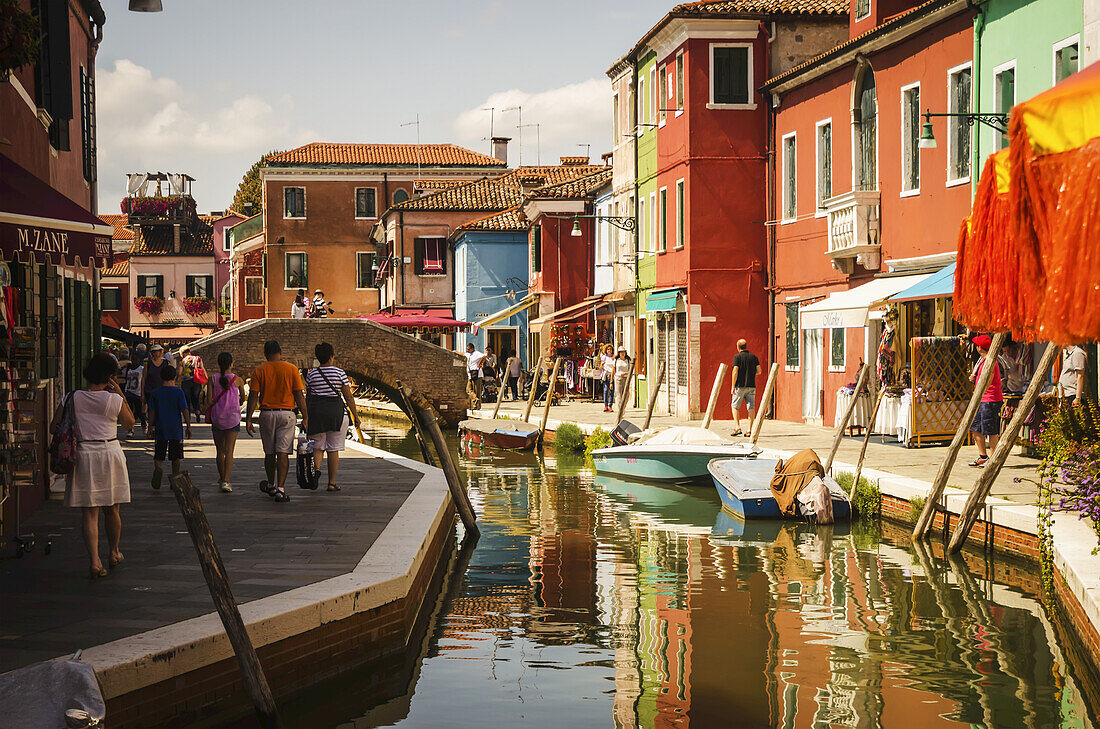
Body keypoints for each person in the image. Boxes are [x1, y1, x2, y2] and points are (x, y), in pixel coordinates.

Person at [57, 353, 136, 579]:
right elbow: (130, 423)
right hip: (109, 452)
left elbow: (55, 426)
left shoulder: (71, 398)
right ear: (110, 376)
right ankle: (113, 552)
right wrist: (120, 394)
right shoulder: (114, 400)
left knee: (89, 512)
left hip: (83, 453)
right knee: (112, 508)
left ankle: (94, 562)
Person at [246, 340, 307, 503]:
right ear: (280, 351)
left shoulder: (259, 370)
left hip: (266, 414)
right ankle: (281, 488)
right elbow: (299, 395)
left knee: (269, 452)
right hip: (287, 414)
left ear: (265, 354)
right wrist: (306, 417)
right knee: (283, 451)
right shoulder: (292, 369)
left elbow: (253, 396)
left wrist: (249, 418)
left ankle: (271, 484)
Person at [305, 342, 362, 492]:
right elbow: (348, 397)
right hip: (336, 413)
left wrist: (306, 416)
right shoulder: (340, 373)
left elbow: (309, 397)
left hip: (317, 412)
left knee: (318, 446)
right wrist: (355, 416)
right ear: (331, 357)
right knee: (333, 449)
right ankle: (331, 483)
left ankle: (316, 471)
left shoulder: (311, 374)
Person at [146, 364, 191, 489]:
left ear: (161, 377)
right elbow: (185, 410)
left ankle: (158, 469)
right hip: (175, 429)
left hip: (160, 428)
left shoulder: (155, 393)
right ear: (174, 377)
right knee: (176, 456)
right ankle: (175, 477)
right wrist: (188, 425)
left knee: (159, 453)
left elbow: (151, 411)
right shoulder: (178, 392)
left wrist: (150, 427)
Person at [209, 352, 246, 493]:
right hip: (233, 418)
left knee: (220, 450)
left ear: (219, 364)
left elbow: (209, 401)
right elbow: (243, 398)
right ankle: (226, 480)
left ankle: (221, 477)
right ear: (231, 363)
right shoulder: (238, 380)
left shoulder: (212, 379)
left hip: (217, 418)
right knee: (230, 450)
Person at [968, 334, 1003, 468]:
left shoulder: (990, 361)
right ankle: (983, 456)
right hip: (981, 398)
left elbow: (988, 379)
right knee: (976, 427)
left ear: (979, 347)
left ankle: (993, 459)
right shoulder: (982, 360)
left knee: (991, 429)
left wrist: (981, 390)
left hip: (990, 399)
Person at [730, 338, 762, 436]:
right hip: (751, 385)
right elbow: (759, 371)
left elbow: (735, 371)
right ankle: (749, 430)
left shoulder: (737, 357)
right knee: (751, 407)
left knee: (734, 406)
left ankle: (737, 427)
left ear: (738, 347)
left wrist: (732, 386)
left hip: (740, 386)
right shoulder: (754, 357)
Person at [140, 344, 173, 424]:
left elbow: (170, 377)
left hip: (162, 390)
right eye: (157, 351)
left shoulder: (166, 363)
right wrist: (142, 393)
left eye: (160, 351)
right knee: (151, 410)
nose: (159, 353)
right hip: (150, 390)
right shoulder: (148, 363)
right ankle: (152, 426)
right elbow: (144, 378)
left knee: (162, 410)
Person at [177, 345, 206, 422]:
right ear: (189, 351)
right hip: (196, 380)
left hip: (186, 381)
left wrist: (177, 378)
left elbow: (179, 373)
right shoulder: (198, 358)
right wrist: (205, 378)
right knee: (195, 397)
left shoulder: (182, 361)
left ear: (182, 353)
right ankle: (197, 411)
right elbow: (202, 369)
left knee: (187, 399)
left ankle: (188, 416)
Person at [122, 357, 145, 436]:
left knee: (139, 411)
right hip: (128, 391)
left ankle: (144, 424)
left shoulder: (141, 369)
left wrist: (143, 392)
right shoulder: (128, 368)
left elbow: (144, 380)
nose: (135, 361)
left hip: (137, 392)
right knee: (129, 411)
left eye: (136, 359)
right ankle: (130, 429)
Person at [1060, 343, 1088, 407]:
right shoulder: (1069, 354)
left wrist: (1077, 398)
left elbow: (1080, 376)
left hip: (1073, 395)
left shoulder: (1077, 353)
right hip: (1067, 395)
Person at [465, 343, 486, 409]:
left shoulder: (477, 353)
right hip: (470, 374)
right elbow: (462, 354)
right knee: (468, 390)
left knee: (477, 391)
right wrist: (455, 351)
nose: (467, 350)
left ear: (472, 349)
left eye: (468, 349)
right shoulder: (468, 354)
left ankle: (477, 406)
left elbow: (484, 356)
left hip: (477, 374)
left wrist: (480, 363)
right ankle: (475, 399)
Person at [613, 347, 632, 414]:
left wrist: (626, 373)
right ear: (618, 353)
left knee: (626, 395)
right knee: (619, 395)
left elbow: (631, 370)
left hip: (626, 378)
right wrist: (611, 381)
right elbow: (613, 370)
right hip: (618, 378)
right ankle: (620, 410)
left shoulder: (628, 360)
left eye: (623, 352)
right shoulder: (616, 360)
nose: (622, 353)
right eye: (621, 352)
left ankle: (623, 407)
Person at [600, 344, 616, 412]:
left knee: (611, 391)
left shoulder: (614, 357)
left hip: (612, 375)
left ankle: (610, 406)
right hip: (606, 375)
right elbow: (600, 368)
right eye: (608, 349)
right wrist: (602, 365)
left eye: (610, 349)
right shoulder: (604, 357)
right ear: (606, 350)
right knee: (606, 390)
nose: (609, 351)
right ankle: (605, 405)